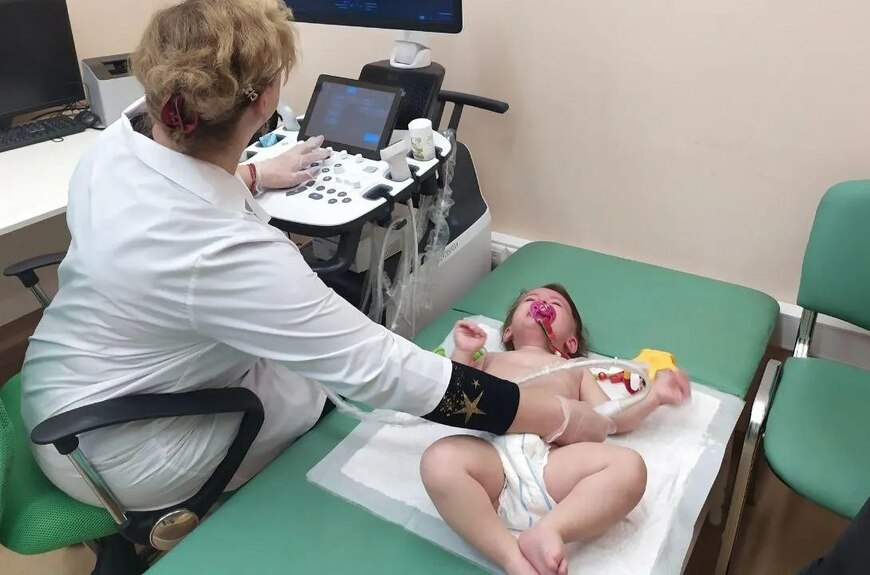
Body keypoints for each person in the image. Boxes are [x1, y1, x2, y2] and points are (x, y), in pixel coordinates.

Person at [19, 0, 612, 513]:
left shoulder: (117, 145)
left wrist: (253, 174)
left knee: (320, 351)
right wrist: (559, 417)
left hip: (62, 382)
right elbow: (384, 370)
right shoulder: (227, 253)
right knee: (328, 388)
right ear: (265, 100)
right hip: (123, 452)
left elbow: (176, 197)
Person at [420, 284, 691, 575]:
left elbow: (612, 417)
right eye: (530, 300)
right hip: (492, 462)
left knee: (630, 467)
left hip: (551, 464)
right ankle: (512, 558)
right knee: (439, 460)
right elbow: (455, 392)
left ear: (571, 343)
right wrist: (464, 351)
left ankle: (551, 529)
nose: (541, 304)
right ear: (508, 332)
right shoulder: (489, 360)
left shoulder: (576, 370)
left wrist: (655, 397)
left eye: (556, 304)